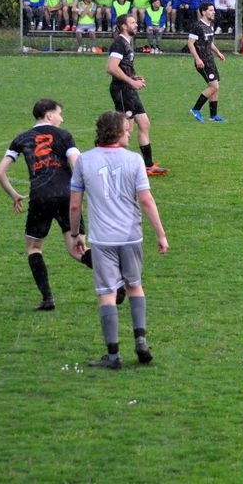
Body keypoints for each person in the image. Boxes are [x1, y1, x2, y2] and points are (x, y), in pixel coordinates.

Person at [69, 111, 168, 369]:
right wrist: (160, 234)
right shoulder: (134, 160)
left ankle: (113, 356)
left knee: (107, 293)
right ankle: (141, 341)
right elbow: (146, 200)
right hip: (131, 236)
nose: (130, 133)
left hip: (102, 240)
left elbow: (75, 205)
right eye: (127, 129)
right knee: (134, 286)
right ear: (117, 132)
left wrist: (75, 234)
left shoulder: (84, 160)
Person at [0, 99, 100, 310]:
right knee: (77, 249)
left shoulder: (21, 139)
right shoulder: (64, 136)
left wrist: (14, 195)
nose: (62, 118)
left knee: (34, 247)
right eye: (60, 113)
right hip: (67, 195)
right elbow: (77, 163)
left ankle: (47, 299)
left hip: (40, 197)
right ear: (49, 115)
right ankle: (116, 278)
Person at [106, 14, 169, 176]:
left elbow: (123, 67)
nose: (136, 25)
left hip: (129, 89)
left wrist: (133, 78)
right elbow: (111, 68)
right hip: (121, 90)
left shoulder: (126, 43)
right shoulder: (119, 43)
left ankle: (148, 165)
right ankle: (112, 164)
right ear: (124, 26)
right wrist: (131, 81)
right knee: (126, 130)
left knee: (144, 124)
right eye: (132, 22)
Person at [187, 2, 227, 122]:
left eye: (213, 10)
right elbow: (190, 43)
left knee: (216, 86)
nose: (213, 12)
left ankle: (213, 115)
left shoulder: (210, 25)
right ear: (204, 12)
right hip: (202, 62)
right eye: (210, 10)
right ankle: (195, 109)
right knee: (214, 86)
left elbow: (210, 43)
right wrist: (197, 59)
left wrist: (218, 53)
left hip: (210, 60)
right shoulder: (197, 26)